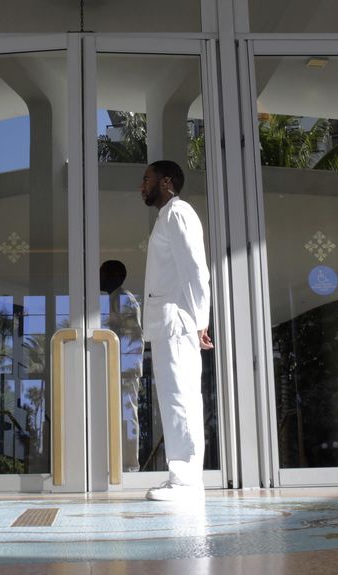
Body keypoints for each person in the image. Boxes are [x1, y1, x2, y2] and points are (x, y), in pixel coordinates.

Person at [140, 160, 212, 502]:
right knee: (174, 400)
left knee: (180, 398)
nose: (142, 186)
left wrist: (200, 321)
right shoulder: (166, 216)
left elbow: (196, 269)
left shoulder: (178, 213)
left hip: (178, 321)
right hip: (169, 322)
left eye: (147, 179)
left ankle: (185, 481)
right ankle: (182, 477)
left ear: (166, 182)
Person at [99, 259, 144, 473]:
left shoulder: (123, 298)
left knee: (127, 414)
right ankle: (118, 463)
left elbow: (131, 336)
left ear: (115, 276)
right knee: (119, 415)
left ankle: (129, 466)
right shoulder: (115, 298)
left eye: (103, 273)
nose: (99, 277)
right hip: (119, 367)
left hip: (124, 368)